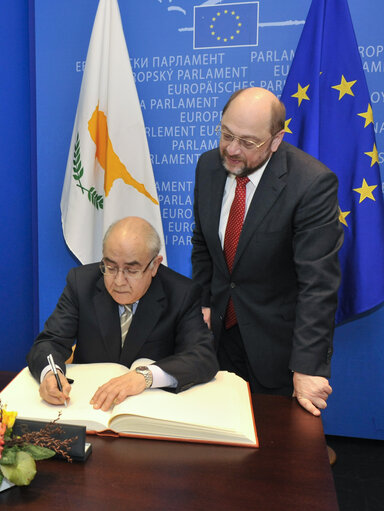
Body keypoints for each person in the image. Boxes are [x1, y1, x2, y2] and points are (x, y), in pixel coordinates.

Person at [191, 87, 343, 416]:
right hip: (218, 337)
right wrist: (202, 301)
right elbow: (203, 243)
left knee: (275, 458)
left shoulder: (310, 184)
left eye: (247, 142)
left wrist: (307, 366)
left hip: (277, 348)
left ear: (276, 140)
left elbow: (318, 285)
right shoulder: (207, 167)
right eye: (226, 134)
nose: (231, 149)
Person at [27, 216, 218, 411]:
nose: (118, 281)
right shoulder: (81, 283)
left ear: (154, 266)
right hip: (87, 406)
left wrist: (145, 376)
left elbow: (203, 357)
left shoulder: (181, 293)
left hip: (153, 410)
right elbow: (49, 342)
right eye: (110, 267)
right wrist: (51, 374)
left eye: (131, 270)